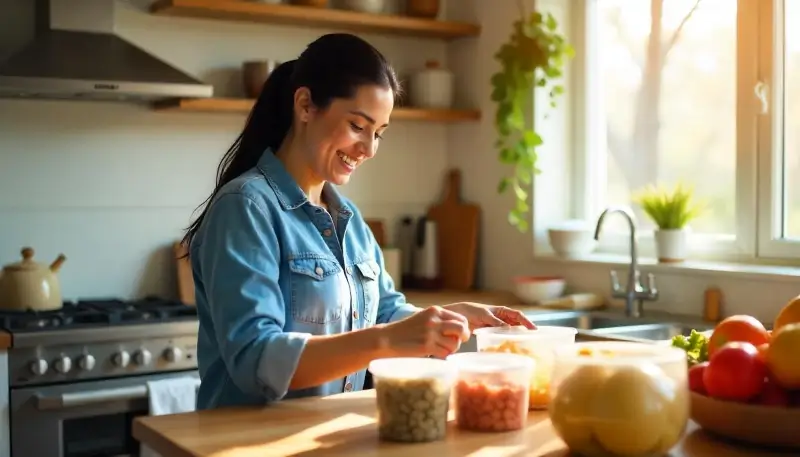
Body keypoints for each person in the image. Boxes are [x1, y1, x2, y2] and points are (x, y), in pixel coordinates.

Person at [181, 33, 536, 410]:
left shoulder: (349, 221)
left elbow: (382, 313)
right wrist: (387, 340)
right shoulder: (246, 208)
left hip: (326, 438)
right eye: (357, 126)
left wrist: (448, 319)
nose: (368, 149)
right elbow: (256, 359)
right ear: (305, 105)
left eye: (379, 133)